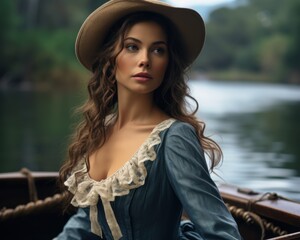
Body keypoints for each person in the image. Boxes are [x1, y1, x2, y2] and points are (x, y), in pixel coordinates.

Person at [56, 0, 242, 239]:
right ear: (111, 60)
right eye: (132, 47)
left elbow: (224, 235)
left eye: (158, 50)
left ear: (167, 64)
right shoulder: (99, 131)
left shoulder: (173, 137)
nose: (145, 60)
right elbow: (87, 220)